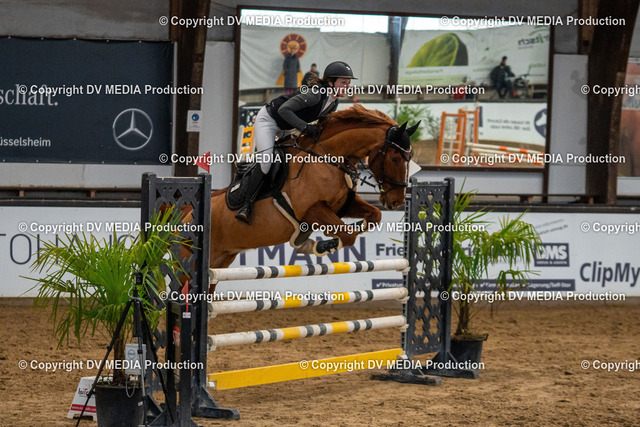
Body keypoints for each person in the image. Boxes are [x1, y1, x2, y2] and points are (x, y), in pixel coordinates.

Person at [236, 61, 357, 224]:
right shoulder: (315, 94)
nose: (347, 87)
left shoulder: (334, 102)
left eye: (348, 83)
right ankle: (246, 205)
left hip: (288, 126)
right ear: (330, 83)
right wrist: (305, 127)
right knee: (266, 162)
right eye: (343, 82)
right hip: (269, 120)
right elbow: (283, 110)